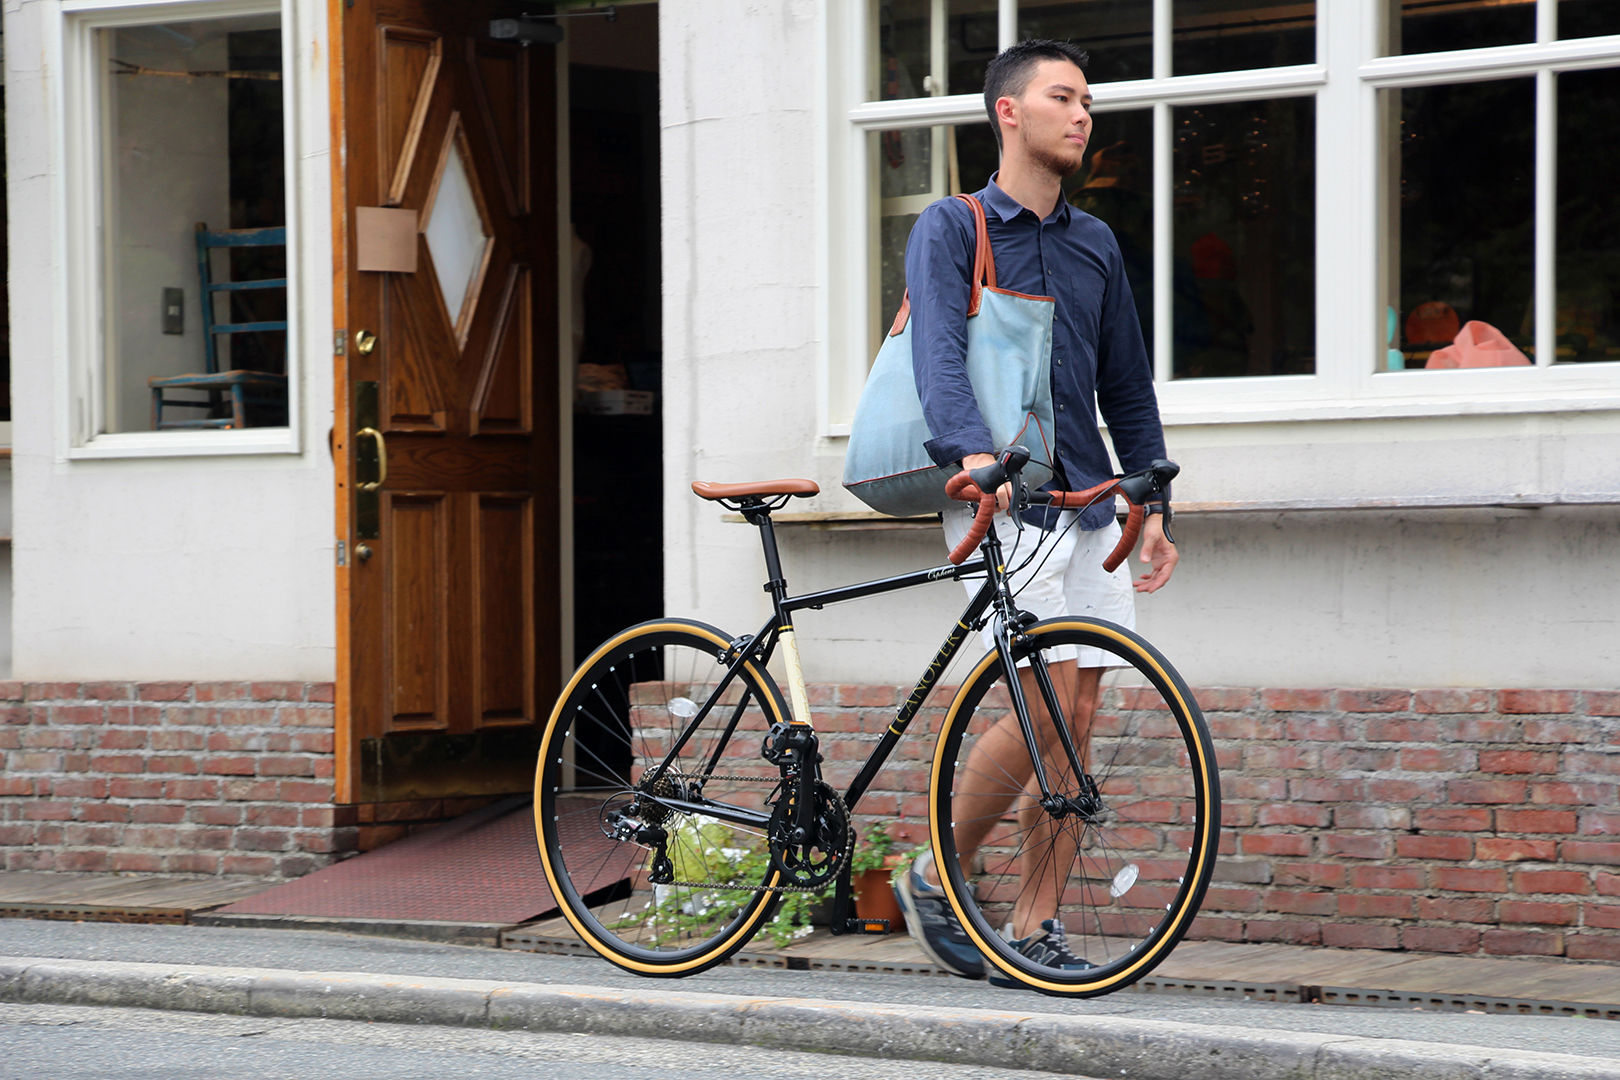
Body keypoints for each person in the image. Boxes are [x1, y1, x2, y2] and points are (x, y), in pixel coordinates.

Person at [890, 39, 1179, 985]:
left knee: (1080, 714)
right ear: (1008, 112)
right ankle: (936, 871)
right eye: (1063, 97)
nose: (1083, 114)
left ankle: (1034, 922)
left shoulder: (1096, 244)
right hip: (1003, 495)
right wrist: (973, 456)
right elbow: (938, 353)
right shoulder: (954, 225)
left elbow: (1126, 385)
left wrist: (1153, 501)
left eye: (1088, 100)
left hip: (1091, 500)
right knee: (1042, 696)